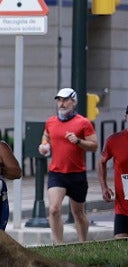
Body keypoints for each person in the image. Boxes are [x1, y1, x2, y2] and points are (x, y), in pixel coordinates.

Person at [39, 87, 97, 243]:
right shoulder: (51, 121)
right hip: (57, 173)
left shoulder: (83, 123)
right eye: (59, 100)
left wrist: (78, 141)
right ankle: (59, 245)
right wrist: (44, 145)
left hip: (77, 173)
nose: (61, 103)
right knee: (54, 209)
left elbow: (94, 145)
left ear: (74, 101)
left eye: (65, 100)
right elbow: (46, 136)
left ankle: (83, 243)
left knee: (78, 213)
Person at [98, 102, 128, 239]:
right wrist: (104, 187)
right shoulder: (114, 140)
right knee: (120, 244)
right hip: (123, 208)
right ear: (126, 117)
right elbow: (101, 161)